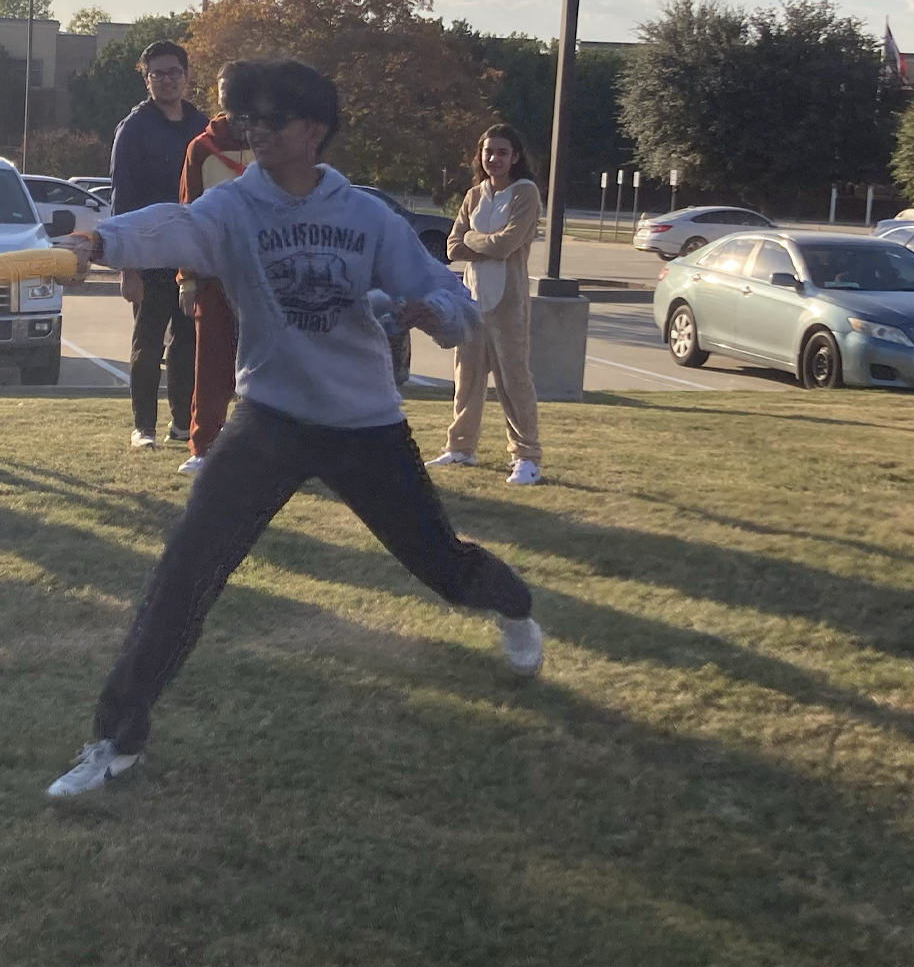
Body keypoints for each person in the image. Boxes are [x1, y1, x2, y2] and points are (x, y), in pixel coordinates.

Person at [44, 58, 544, 798]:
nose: (258, 134)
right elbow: (171, 226)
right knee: (185, 572)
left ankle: (512, 603)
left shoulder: (367, 214)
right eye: (250, 121)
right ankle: (116, 740)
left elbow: (447, 297)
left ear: (315, 129)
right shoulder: (235, 207)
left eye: (273, 121)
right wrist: (98, 242)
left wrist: (431, 311)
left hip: (363, 421)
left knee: (440, 562)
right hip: (270, 418)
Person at [427, 124, 545, 486]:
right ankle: (461, 447)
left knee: (514, 380)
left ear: (516, 156)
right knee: (467, 377)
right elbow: (451, 247)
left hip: (508, 303)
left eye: (502, 152)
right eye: (488, 152)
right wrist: (480, 242)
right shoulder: (474, 195)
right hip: (473, 299)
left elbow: (505, 246)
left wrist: (473, 240)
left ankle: (526, 457)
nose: (494, 159)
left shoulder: (525, 193)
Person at [108, 40, 203, 449]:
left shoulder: (201, 125)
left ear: (186, 76)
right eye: (157, 74)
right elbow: (122, 199)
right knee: (148, 342)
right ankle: (142, 427)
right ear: (146, 79)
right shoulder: (133, 128)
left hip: (191, 254)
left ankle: (182, 425)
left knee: (188, 343)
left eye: (173, 73)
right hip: (147, 253)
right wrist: (127, 268)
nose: (166, 81)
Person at [175, 61, 255, 475]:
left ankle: (261, 451)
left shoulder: (273, 139)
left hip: (264, 273)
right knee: (210, 365)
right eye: (224, 88)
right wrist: (187, 278)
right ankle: (203, 446)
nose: (229, 95)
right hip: (214, 272)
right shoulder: (201, 148)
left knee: (263, 365)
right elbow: (190, 214)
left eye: (237, 88)